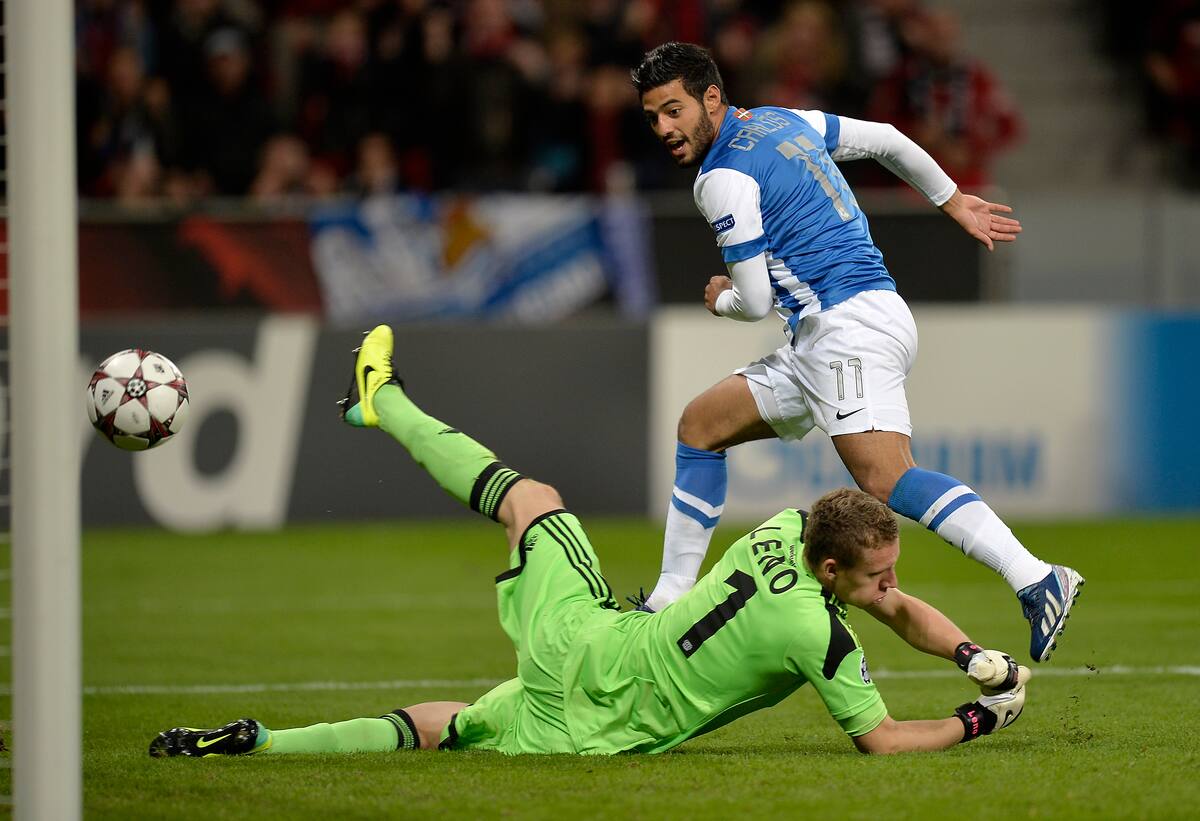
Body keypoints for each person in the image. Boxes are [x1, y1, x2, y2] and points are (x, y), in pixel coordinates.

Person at [149, 325, 1029, 759]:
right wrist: (974, 716)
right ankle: (266, 741)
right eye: (877, 571)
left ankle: (261, 742)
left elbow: (893, 600)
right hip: (595, 727)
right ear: (833, 569)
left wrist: (968, 650)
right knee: (452, 725)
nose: (890, 582)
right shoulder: (818, 635)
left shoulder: (789, 528)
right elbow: (881, 741)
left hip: (587, 640)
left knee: (530, 500)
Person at [630, 42, 1081, 663]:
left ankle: (1035, 578)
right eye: (653, 116)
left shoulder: (722, 180)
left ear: (712, 98)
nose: (664, 129)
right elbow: (889, 139)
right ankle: (668, 600)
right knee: (701, 426)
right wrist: (951, 199)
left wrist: (721, 299)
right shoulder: (786, 121)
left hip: (843, 330)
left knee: (887, 477)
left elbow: (755, 301)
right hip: (847, 323)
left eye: (674, 111)